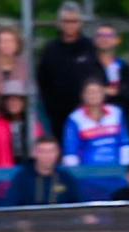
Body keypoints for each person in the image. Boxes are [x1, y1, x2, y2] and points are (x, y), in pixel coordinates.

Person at [36, 0, 96, 137]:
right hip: (59, 118)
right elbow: (43, 81)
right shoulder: (50, 50)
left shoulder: (90, 48)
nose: (70, 25)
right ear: (60, 23)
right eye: (66, 21)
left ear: (80, 23)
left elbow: (98, 77)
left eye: (74, 21)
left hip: (88, 114)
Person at [61, 78, 129, 178]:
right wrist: (77, 175)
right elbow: (70, 152)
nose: (93, 95)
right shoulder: (74, 118)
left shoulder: (116, 112)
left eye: (97, 92)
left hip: (117, 172)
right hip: (88, 174)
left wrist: (124, 170)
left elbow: (125, 144)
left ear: (104, 94)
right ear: (83, 96)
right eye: (89, 92)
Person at [0, 80, 41, 168]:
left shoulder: (33, 126)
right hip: (3, 177)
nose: (14, 103)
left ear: (23, 102)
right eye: (10, 100)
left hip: (28, 175)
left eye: (18, 99)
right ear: (4, 103)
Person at [5, 134, 79, 205]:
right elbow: (10, 206)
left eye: (51, 151)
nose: (47, 156)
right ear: (34, 153)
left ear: (58, 153)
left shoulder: (65, 177)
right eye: (42, 151)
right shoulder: (22, 177)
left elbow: (79, 205)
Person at [91, 23, 129, 116]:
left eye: (108, 36)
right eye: (100, 35)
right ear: (95, 40)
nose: (104, 39)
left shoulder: (124, 68)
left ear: (116, 40)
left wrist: (118, 93)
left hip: (121, 123)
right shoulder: (87, 67)